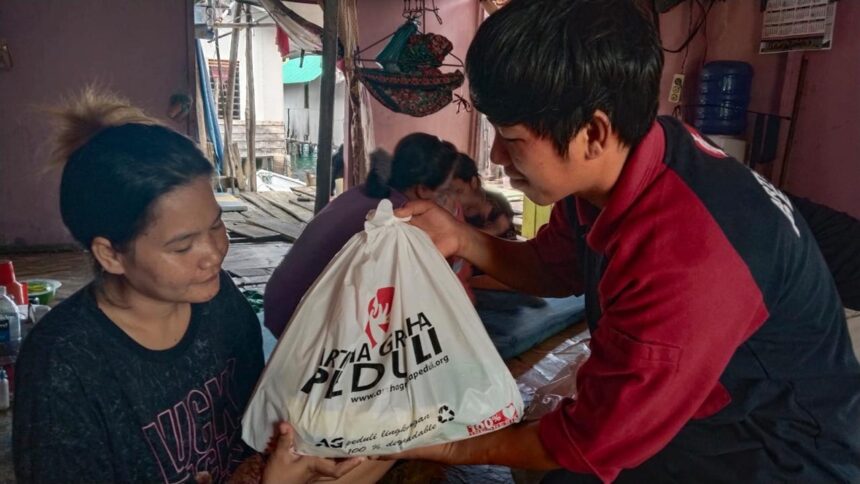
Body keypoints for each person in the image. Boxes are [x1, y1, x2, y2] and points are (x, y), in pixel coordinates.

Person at [391, 0, 860, 481]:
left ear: (592, 133)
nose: (495, 154)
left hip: (778, 455)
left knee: (550, 469)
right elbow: (553, 268)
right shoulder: (633, 158)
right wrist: (461, 237)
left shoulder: (685, 260)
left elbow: (582, 442)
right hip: (711, 409)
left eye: (511, 137)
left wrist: (442, 444)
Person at [12, 90, 381, 483]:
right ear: (111, 255)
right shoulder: (64, 367)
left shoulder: (217, 300)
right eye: (182, 245)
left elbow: (255, 425)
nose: (214, 254)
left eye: (217, 225)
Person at [263, 133, 460, 338]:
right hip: (301, 321)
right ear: (423, 190)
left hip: (279, 300)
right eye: (446, 190)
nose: (449, 197)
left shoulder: (362, 193)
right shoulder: (397, 218)